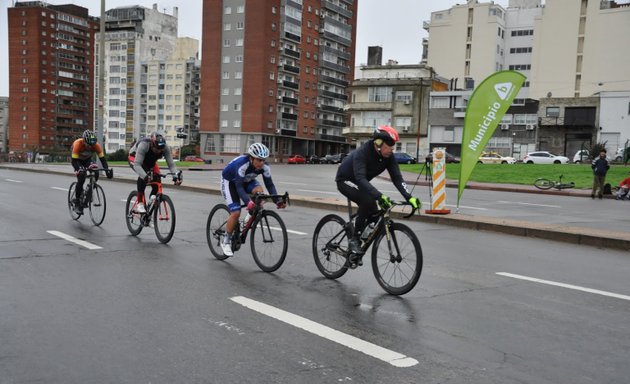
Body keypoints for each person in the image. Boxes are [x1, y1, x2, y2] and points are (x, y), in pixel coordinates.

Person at [335, 125, 421, 258]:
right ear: (378, 143)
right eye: (389, 146)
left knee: (375, 212)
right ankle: (354, 240)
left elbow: (397, 178)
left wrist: (409, 197)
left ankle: (361, 234)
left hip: (360, 183)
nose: (392, 150)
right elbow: (361, 178)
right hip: (345, 180)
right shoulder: (362, 153)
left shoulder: (388, 156)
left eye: (393, 147)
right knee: (367, 200)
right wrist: (379, 196)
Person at [219, 142, 285, 256]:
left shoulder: (265, 167)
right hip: (231, 182)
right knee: (235, 212)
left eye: (263, 160)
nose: (261, 163)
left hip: (246, 180)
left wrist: (277, 200)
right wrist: (248, 202)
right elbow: (239, 187)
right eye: (259, 160)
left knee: (260, 194)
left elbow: (270, 185)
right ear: (251, 158)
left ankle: (246, 220)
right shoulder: (242, 164)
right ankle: (226, 241)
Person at [128, 131, 182, 213]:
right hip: (135, 159)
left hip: (150, 162)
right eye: (156, 149)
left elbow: (171, 164)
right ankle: (140, 203)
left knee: (157, 179)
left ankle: (150, 206)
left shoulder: (165, 147)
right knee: (143, 176)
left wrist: (175, 176)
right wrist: (146, 177)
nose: (158, 151)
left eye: (160, 150)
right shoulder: (144, 145)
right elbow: (137, 165)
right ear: (152, 144)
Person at [71, 130, 113, 214]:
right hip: (77, 160)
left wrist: (107, 170)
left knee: (96, 172)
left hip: (87, 160)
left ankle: (89, 190)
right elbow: (74, 160)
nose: (90, 147)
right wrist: (79, 170)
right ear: (84, 141)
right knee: (82, 176)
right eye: (88, 145)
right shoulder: (77, 144)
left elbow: (103, 160)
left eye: (92, 145)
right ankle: (77, 202)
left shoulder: (96, 145)